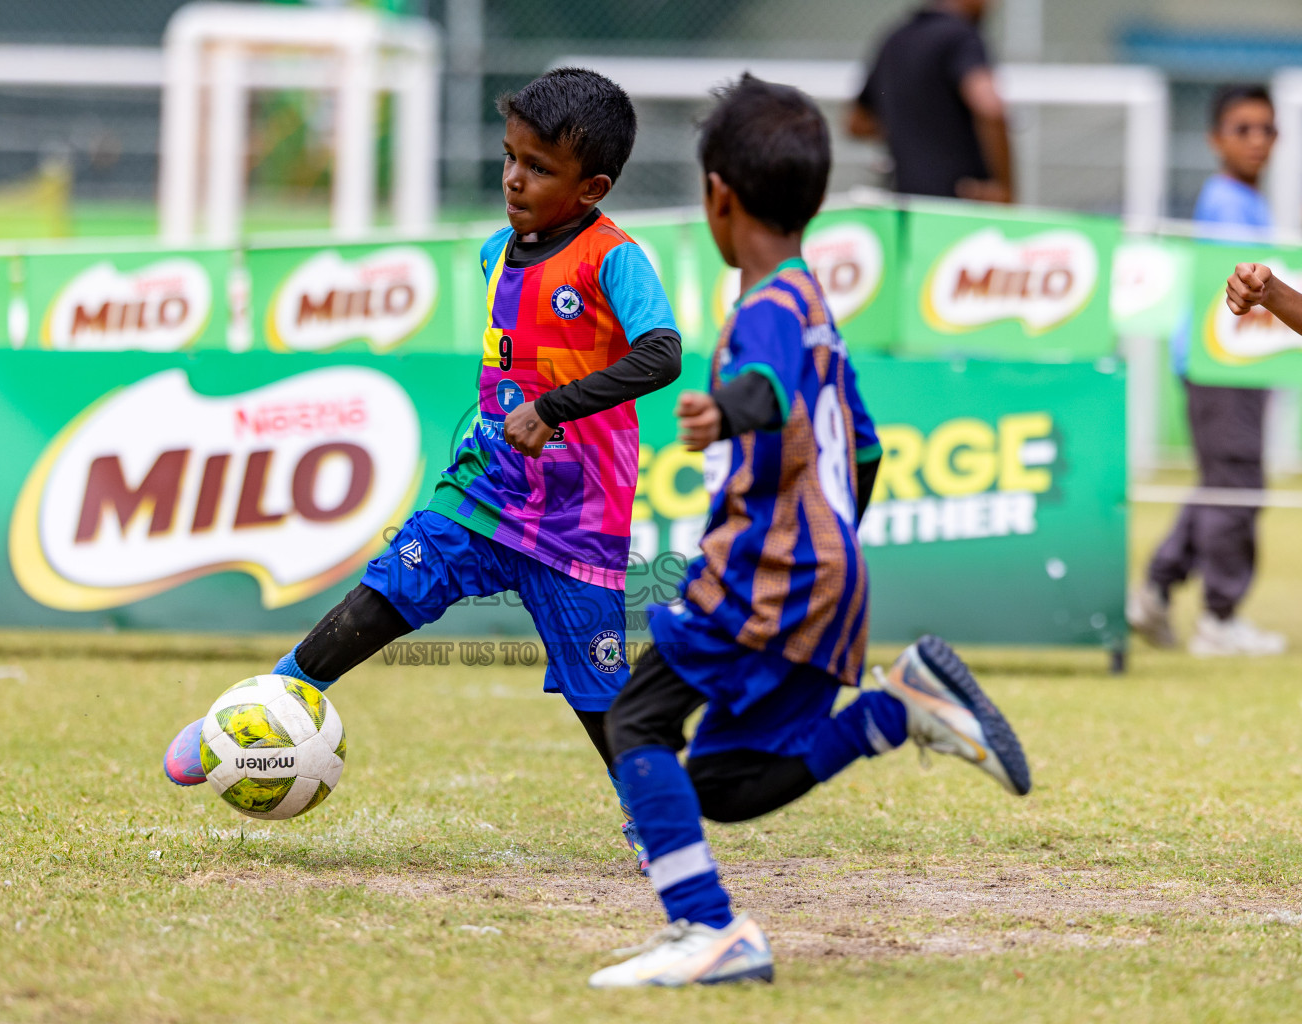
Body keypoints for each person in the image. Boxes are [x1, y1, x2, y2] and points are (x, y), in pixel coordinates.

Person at [162, 67, 684, 867]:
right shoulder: (492, 254)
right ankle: (256, 707)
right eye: (511, 157)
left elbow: (663, 353)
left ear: (592, 188)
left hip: (579, 517)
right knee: (385, 591)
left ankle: (653, 812)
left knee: (599, 691)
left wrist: (553, 409)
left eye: (540, 168)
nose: (515, 177)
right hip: (485, 488)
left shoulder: (615, 260)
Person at [586, 75, 1031, 990]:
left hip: (766, 570)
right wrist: (829, 554)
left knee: (635, 720)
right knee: (721, 783)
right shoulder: (814, 305)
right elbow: (864, 447)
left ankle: (708, 930)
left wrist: (726, 412)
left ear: (718, 195)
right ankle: (895, 707)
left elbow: (767, 391)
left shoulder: (764, 313)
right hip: (823, 576)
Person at [1127, 85, 1286, 657]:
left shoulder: (1245, 200)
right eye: (1243, 128)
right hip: (1220, 362)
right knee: (1238, 483)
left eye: (1267, 128)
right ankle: (1219, 618)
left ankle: (1155, 587)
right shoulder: (1225, 202)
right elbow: (1244, 294)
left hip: (1227, 362)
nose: (1258, 140)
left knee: (1224, 481)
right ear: (1216, 138)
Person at [848, 0, 1012, 203]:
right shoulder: (961, 36)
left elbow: (857, 123)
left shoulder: (895, 39)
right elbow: (990, 108)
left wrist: (913, 127)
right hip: (964, 201)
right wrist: (1004, 188)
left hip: (906, 203)